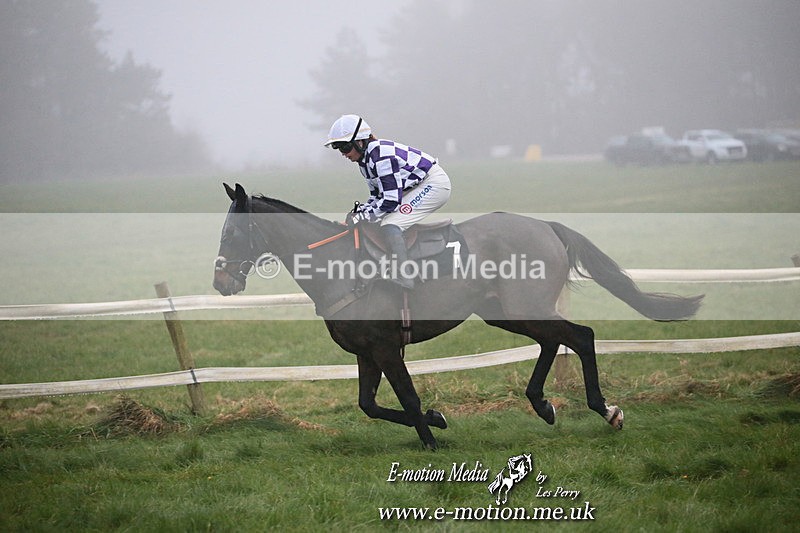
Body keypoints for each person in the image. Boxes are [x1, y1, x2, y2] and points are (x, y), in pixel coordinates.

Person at [324, 114, 451, 289]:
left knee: (391, 224)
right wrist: (360, 213)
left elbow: (390, 201)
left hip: (434, 185)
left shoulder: (381, 156)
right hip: (416, 185)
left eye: (345, 147)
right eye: (338, 149)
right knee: (377, 218)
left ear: (360, 142)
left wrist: (364, 216)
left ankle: (405, 277)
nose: (344, 154)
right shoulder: (365, 161)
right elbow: (377, 197)